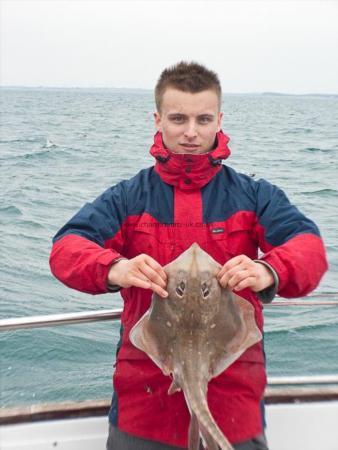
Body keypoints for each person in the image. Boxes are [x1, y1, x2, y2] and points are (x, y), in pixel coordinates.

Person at [50, 61, 328, 450]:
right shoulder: (128, 198)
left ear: (219, 120)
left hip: (233, 399)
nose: (191, 132)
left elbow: (309, 248)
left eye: (203, 118)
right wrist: (115, 266)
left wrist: (269, 270)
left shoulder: (254, 195)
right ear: (158, 119)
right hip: (145, 403)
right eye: (179, 118)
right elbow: (67, 247)